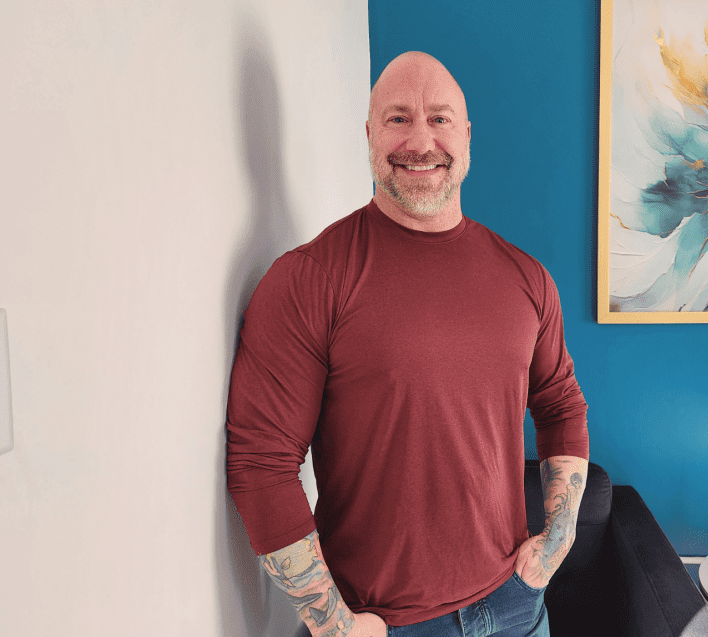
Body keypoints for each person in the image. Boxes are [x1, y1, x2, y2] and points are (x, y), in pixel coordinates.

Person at [226, 51, 590, 637]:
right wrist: (333, 623)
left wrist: (559, 536)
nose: (420, 141)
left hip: (518, 606)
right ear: (369, 133)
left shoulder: (527, 278)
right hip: (384, 624)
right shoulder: (310, 278)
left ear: (466, 135)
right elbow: (260, 463)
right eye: (398, 119)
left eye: (440, 119)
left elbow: (561, 404)